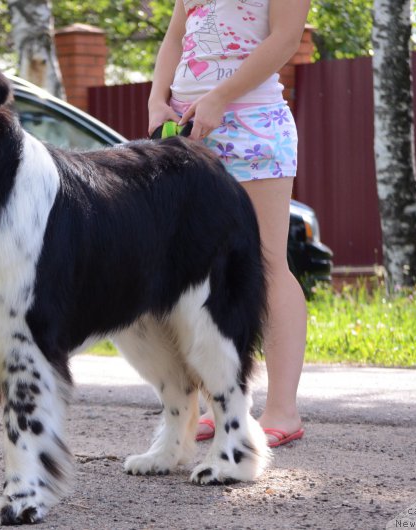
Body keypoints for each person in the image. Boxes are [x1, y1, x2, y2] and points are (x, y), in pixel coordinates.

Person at [148, 0, 310, 447]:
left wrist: (219, 97)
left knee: (267, 265)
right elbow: (176, 37)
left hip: (251, 124)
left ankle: (283, 410)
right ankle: (222, 406)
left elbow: (286, 38)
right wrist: (157, 98)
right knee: (197, 275)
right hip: (187, 129)